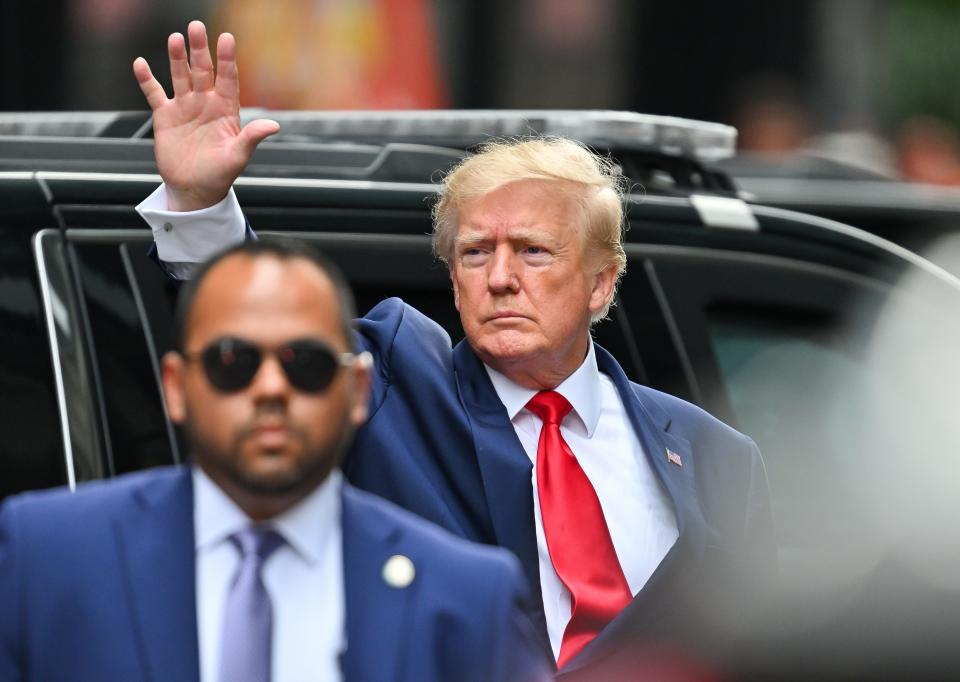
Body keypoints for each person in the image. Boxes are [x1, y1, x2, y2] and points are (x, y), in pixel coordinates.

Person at [133, 21, 777, 678]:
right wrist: (202, 204)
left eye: (532, 251)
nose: (500, 277)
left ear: (601, 281)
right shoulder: (392, 381)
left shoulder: (715, 456)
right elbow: (267, 330)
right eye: (475, 253)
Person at [0, 239, 549, 682]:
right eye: (232, 361)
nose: (269, 388)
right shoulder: (44, 556)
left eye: (304, 364)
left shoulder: (467, 597)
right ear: (175, 386)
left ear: (358, 388)